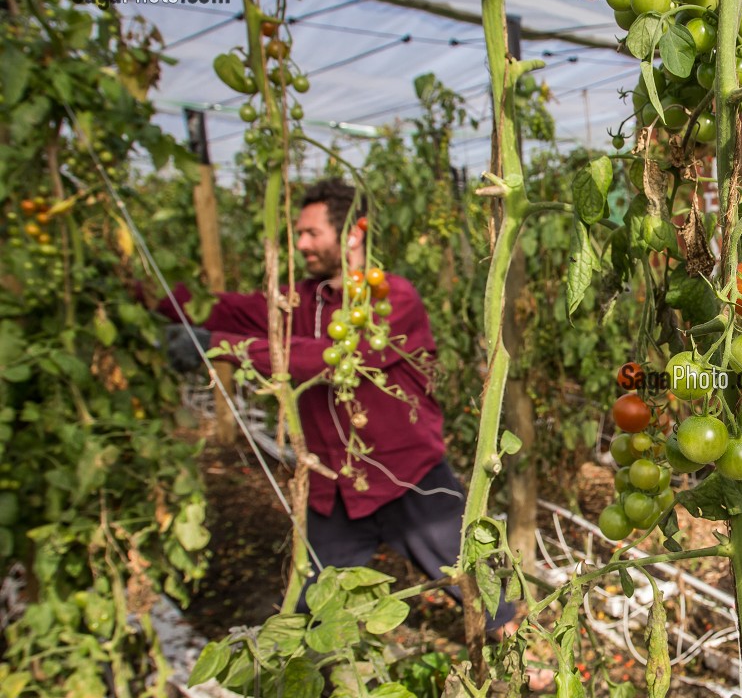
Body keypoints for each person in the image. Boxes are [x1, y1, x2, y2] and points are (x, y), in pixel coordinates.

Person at [157, 178, 512, 631]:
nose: (300, 244)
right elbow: (224, 308)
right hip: (333, 484)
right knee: (318, 604)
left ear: (353, 233)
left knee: (482, 587)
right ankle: (334, 679)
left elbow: (331, 356)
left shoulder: (389, 297)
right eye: (298, 234)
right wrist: (149, 297)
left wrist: (221, 346)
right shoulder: (302, 298)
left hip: (406, 475)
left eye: (310, 233)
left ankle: (523, 661)